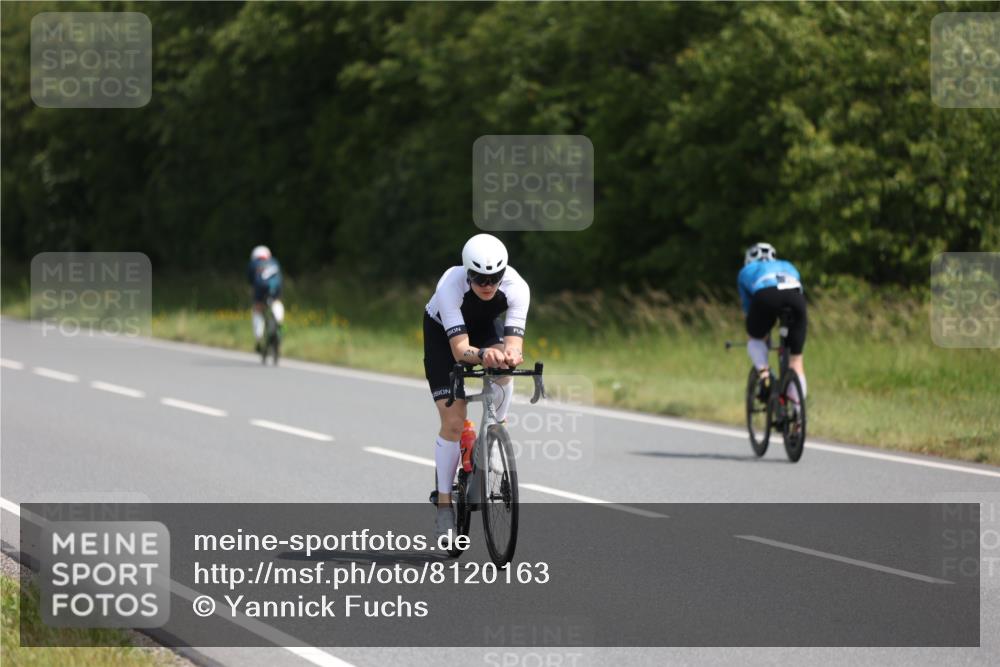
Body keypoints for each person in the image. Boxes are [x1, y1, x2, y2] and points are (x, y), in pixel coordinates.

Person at [423, 234, 529, 537]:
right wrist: (483, 355)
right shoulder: (450, 285)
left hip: (484, 328)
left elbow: (514, 343)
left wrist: (510, 354)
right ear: (467, 273)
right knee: (454, 423)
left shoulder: (517, 287)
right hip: (443, 336)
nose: (487, 284)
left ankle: (498, 426)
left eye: (494, 278)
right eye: (480, 278)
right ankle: (444, 503)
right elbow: (459, 350)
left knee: (505, 368)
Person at [737, 242, 808, 403]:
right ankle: (798, 417)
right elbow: (798, 289)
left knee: (755, 338)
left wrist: (760, 333)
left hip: (766, 295)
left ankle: (765, 374)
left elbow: (749, 307)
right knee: (796, 361)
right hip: (796, 298)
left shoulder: (746, 271)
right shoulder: (788, 265)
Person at [247, 245, 284, 353]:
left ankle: (258, 338)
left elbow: (250, 282)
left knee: (257, 310)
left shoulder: (253, 264)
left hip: (260, 290)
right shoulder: (274, 261)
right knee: (277, 303)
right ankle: (279, 322)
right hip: (275, 289)